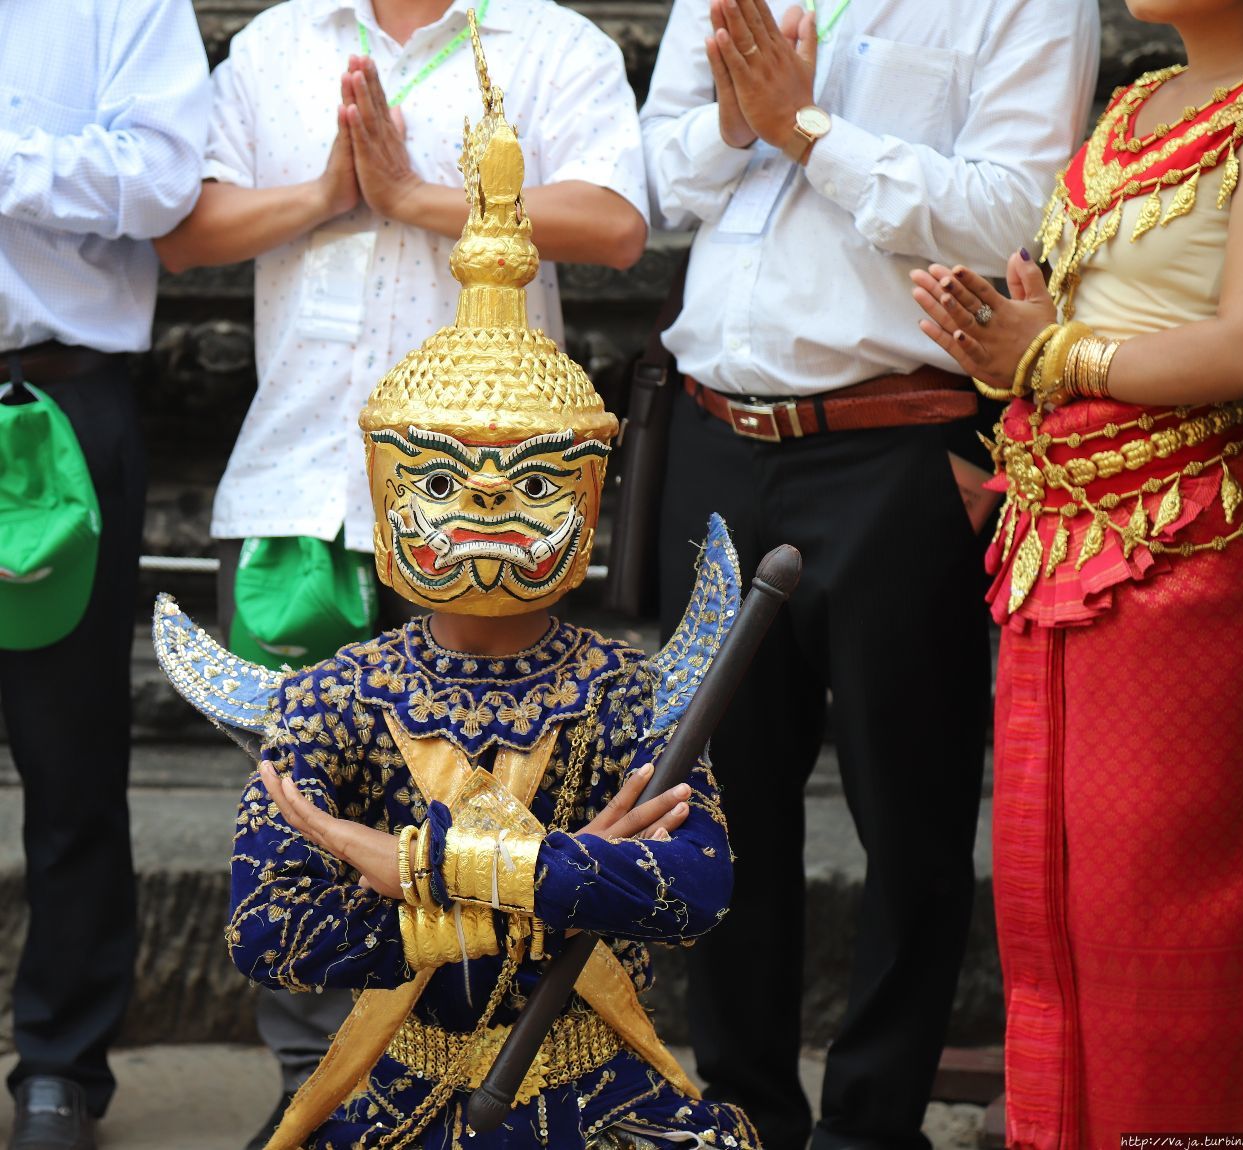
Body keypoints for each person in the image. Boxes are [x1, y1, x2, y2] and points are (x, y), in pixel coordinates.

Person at [156, 27, 757, 1147]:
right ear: (385, 502)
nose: (483, 508)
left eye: (527, 481)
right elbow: (270, 927)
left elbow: (690, 888)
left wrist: (409, 864)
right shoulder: (337, 697)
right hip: (403, 1081)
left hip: (591, 1089)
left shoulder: (621, 694)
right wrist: (556, 880)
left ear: (584, 503)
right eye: (440, 480)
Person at [638, 2, 1099, 1147]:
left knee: (911, 812)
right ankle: (742, 1112)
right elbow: (649, 177)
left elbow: (1016, 209)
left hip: (899, 439)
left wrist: (806, 134)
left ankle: (870, 1125)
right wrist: (738, 129)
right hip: (713, 431)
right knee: (711, 799)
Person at [909, 2, 1243, 1140]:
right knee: (1046, 900)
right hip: (1059, 537)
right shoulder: (1129, 107)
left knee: (1162, 911)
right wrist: (1017, 331)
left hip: (1189, 557)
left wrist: (1050, 352)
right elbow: (1093, 314)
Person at [0, 4, 208, 1149]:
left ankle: (60, 1067)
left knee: (69, 753)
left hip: (53, 402)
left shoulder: (121, 5)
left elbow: (162, 186)